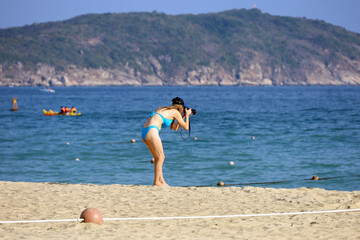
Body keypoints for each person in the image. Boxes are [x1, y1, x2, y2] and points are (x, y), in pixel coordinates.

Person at [141, 97, 193, 187]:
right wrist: (187, 115)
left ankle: (161, 181)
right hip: (152, 132)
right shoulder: (175, 112)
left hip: (144, 132)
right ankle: (156, 182)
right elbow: (186, 127)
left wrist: (183, 116)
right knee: (161, 158)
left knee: (158, 158)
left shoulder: (164, 109)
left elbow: (175, 128)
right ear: (181, 108)